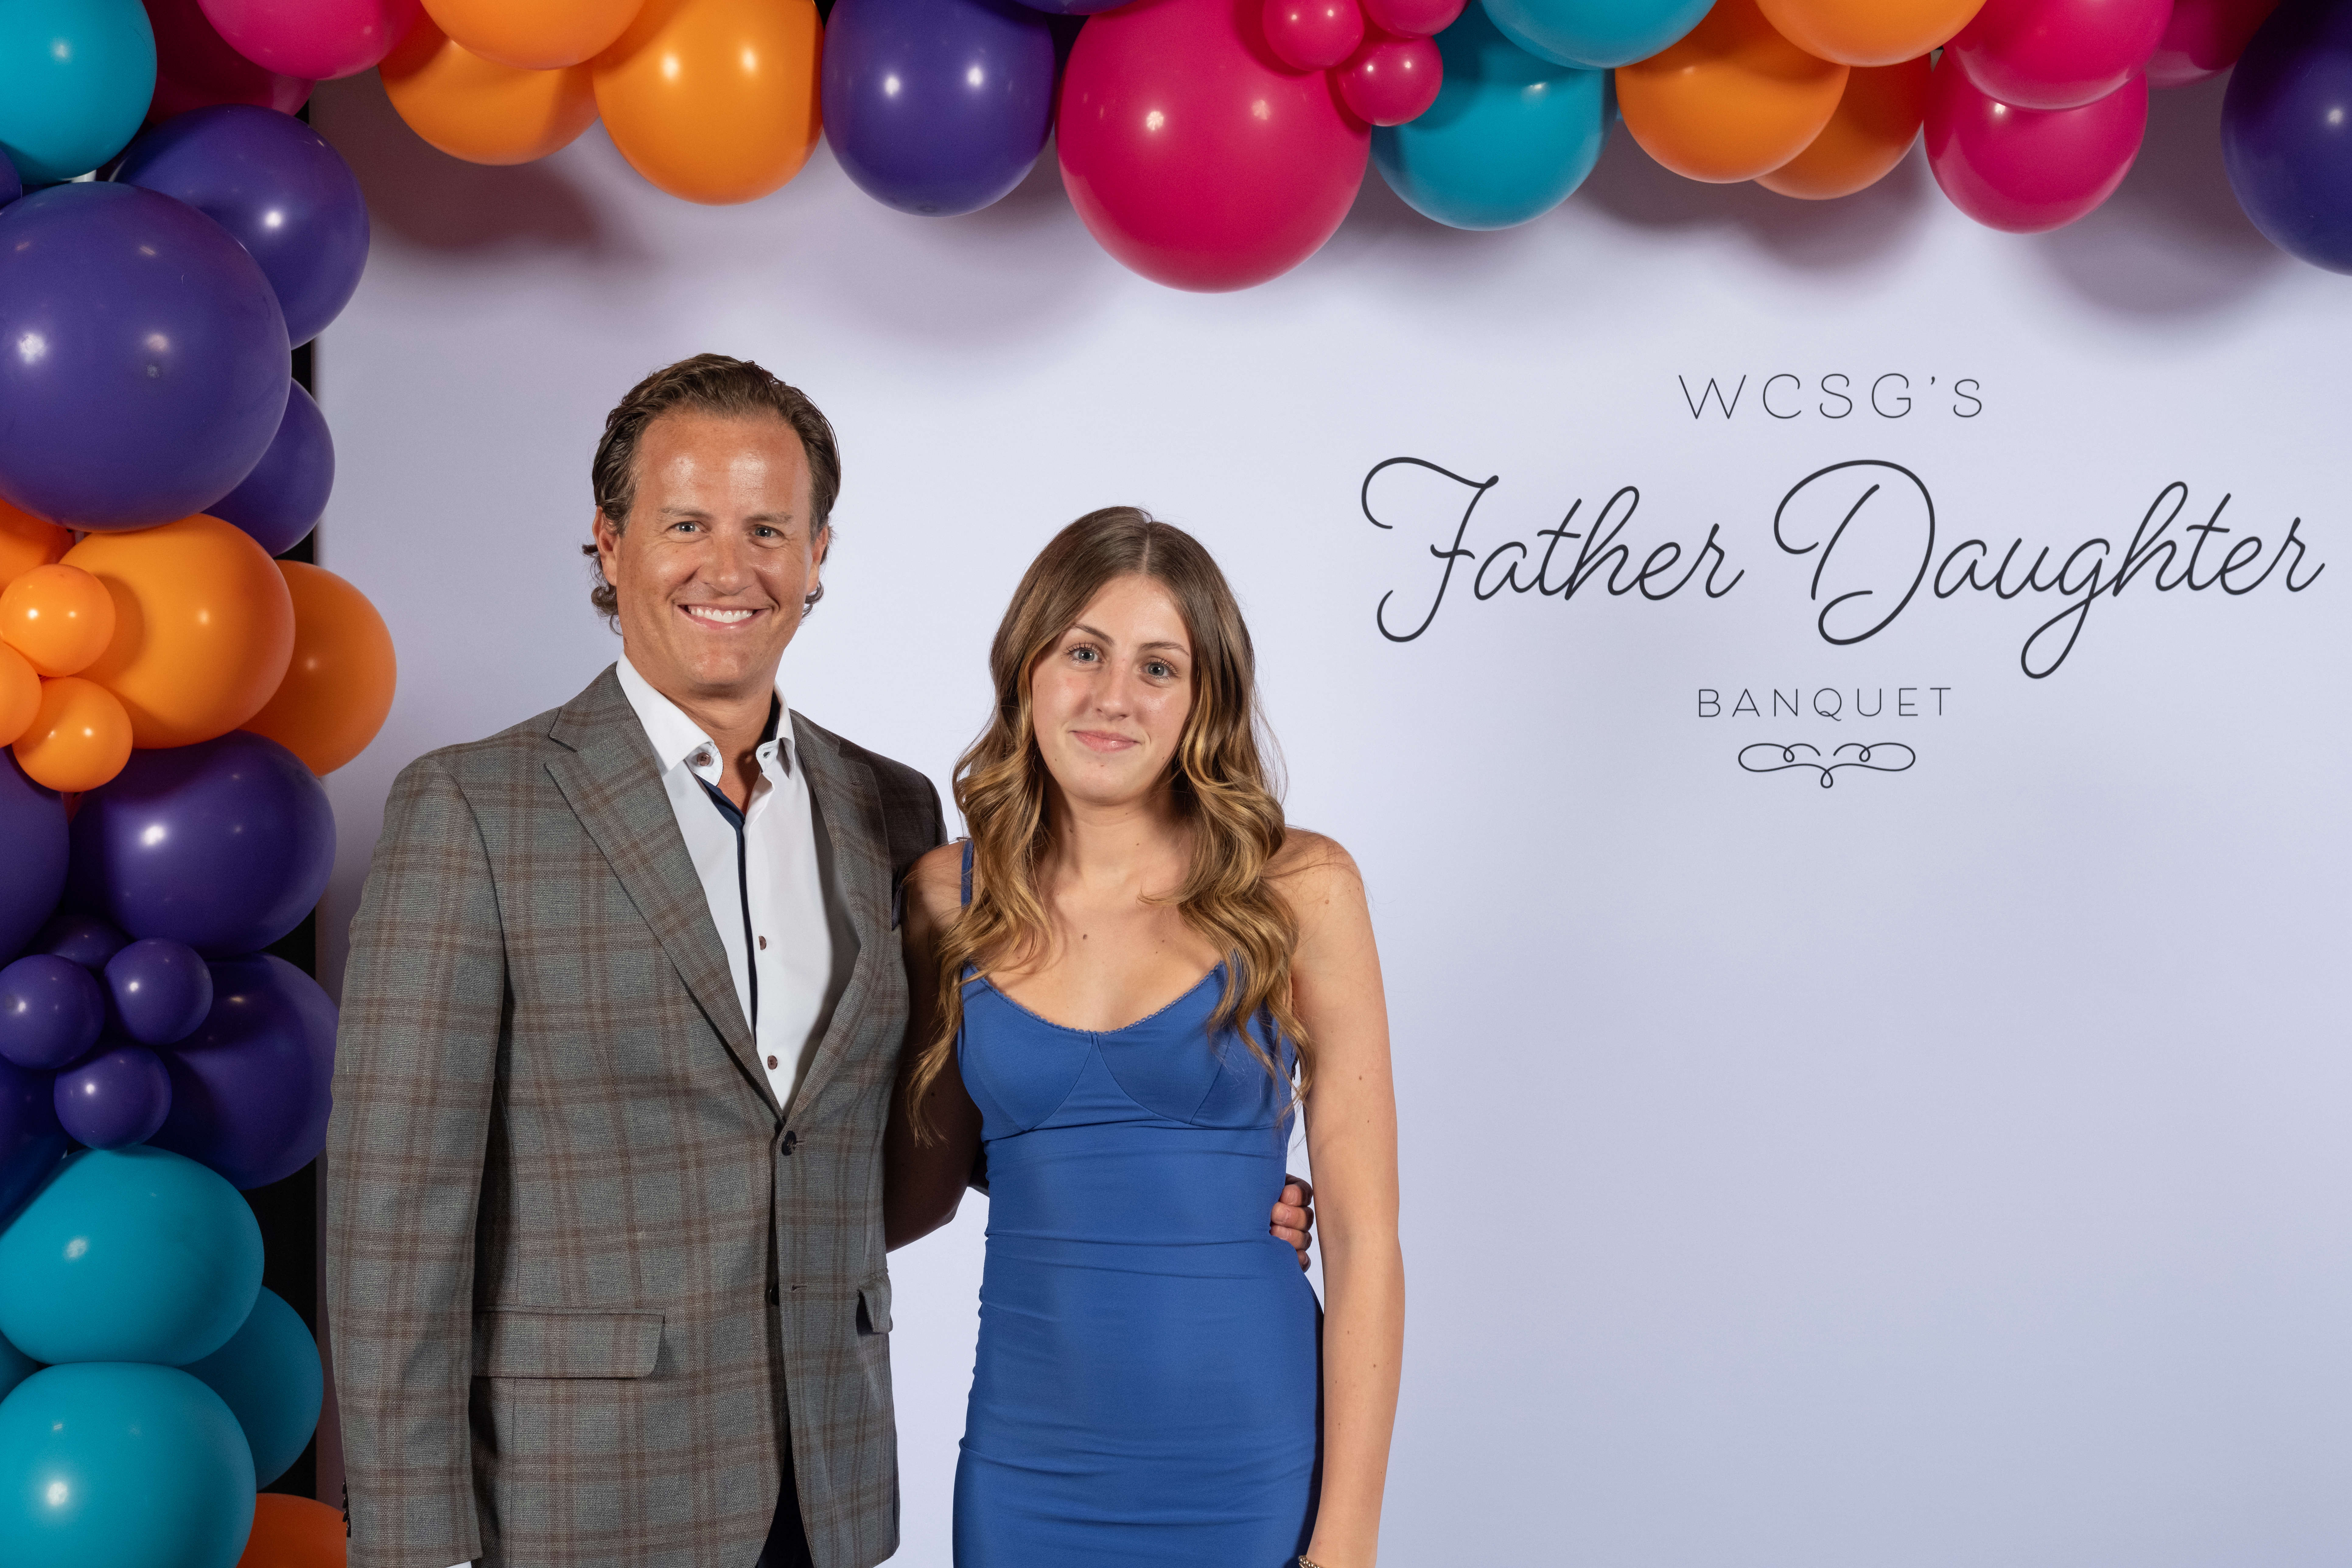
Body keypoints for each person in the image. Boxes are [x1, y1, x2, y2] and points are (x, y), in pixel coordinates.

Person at [324, 357, 1317, 1568]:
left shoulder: (888, 811)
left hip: (828, 1487)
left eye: (767, 530)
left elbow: (936, 1120)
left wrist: (1197, 1186)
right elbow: (394, 1220)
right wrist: (411, 1547)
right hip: (573, 1496)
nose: (728, 568)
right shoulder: (476, 810)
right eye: (686, 524)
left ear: (817, 556)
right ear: (610, 543)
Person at [886, 509, 1405, 1568]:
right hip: (1026, 1470)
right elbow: (925, 1186)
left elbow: (1365, 1241)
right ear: (1027, 667)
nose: (1113, 696)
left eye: (1158, 667)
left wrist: (1348, 1541)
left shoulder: (1300, 888)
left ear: (1204, 699)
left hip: (1249, 1461)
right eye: (1083, 652)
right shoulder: (948, 898)